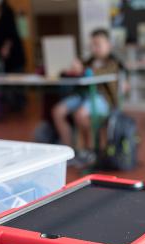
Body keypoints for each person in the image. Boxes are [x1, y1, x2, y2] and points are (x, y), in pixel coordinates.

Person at [52, 28, 125, 165]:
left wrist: (83, 70)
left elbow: (97, 73)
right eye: (92, 45)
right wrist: (71, 70)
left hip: (103, 99)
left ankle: (90, 150)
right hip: (83, 96)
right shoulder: (88, 61)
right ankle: (69, 152)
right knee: (58, 111)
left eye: (98, 44)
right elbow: (78, 73)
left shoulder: (113, 63)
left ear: (108, 45)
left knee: (80, 114)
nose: (94, 48)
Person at [0, 0, 26, 73]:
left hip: (12, 50)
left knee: (15, 72)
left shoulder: (8, 11)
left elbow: (11, 31)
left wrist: (6, 47)